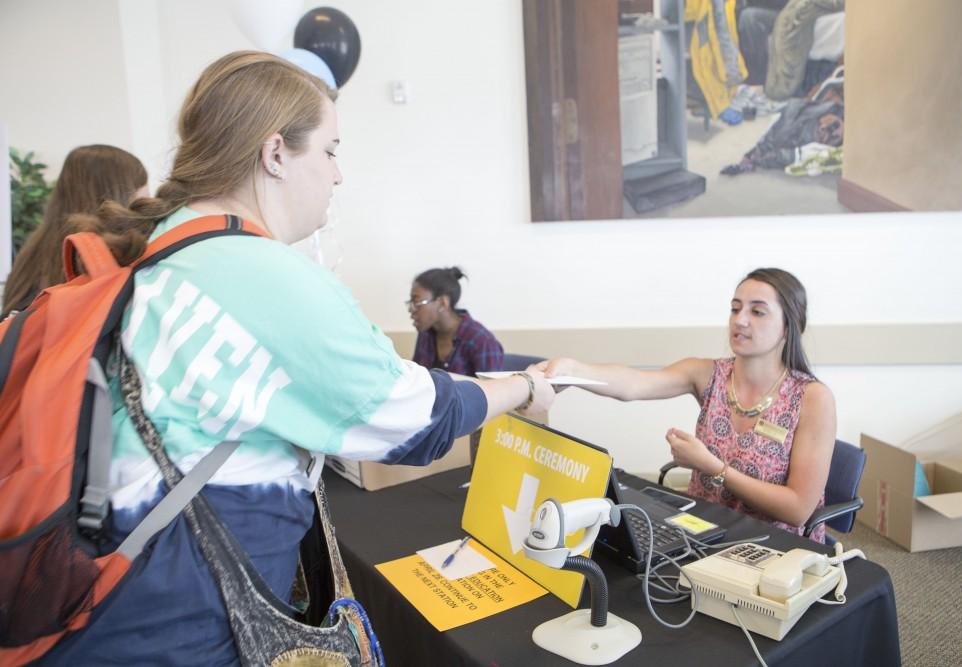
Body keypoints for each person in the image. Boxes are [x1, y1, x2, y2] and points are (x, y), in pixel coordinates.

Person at [42, 51, 553, 665]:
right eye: (331, 151)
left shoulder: (165, 247)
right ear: (276, 152)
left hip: (105, 598)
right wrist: (524, 385)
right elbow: (419, 417)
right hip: (173, 617)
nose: (338, 175)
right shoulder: (255, 272)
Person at [538, 268, 836, 543]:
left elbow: (798, 509)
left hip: (774, 550)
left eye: (757, 311)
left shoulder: (812, 398)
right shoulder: (708, 374)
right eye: (735, 308)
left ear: (790, 325)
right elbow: (635, 384)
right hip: (705, 534)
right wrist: (575, 372)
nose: (740, 319)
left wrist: (713, 467)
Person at [2, 144, 148, 316]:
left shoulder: (31, 256)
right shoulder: (103, 257)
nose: (147, 205)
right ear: (117, 198)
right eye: (142, 198)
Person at [409, 266, 504, 376]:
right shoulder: (425, 334)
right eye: (410, 302)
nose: (411, 309)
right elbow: (417, 380)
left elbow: (493, 390)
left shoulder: (482, 341)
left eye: (417, 302)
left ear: (442, 303)